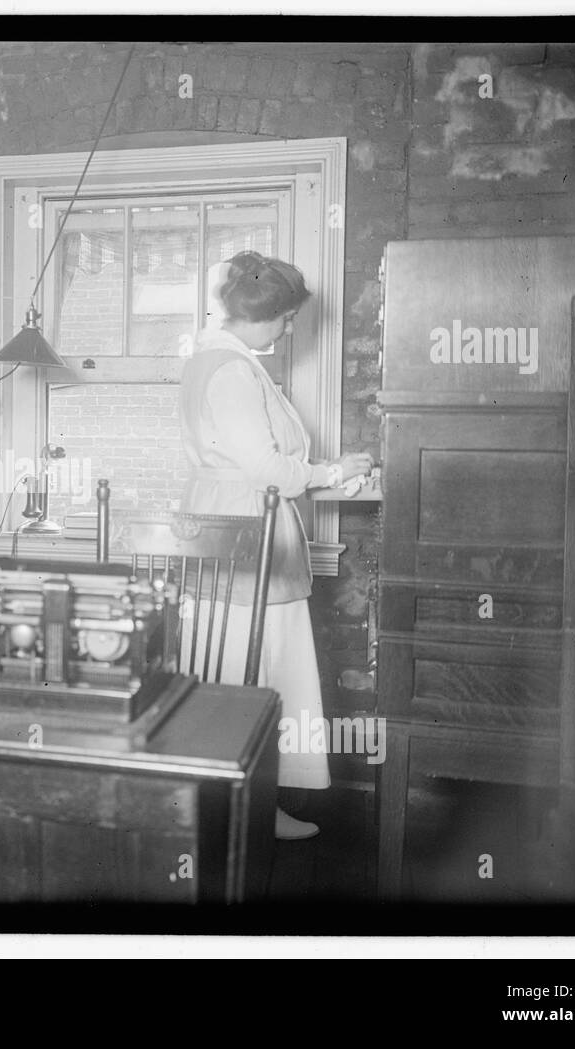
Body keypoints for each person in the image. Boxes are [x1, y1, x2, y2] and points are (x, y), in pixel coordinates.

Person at [179, 252, 373, 841]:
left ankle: (246, 806)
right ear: (261, 315)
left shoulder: (216, 359)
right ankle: (242, 810)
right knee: (255, 669)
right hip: (247, 530)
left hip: (228, 526)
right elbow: (267, 470)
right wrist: (333, 472)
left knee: (239, 669)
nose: (289, 329)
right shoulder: (233, 372)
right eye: (286, 318)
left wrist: (324, 472)